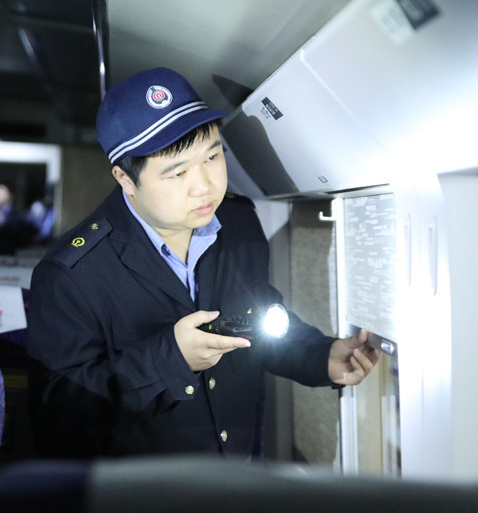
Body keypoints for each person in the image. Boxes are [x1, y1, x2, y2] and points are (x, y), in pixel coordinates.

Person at [26, 67, 380, 460]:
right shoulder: (72, 274)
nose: (204, 186)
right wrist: (171, 359)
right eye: (177, 172)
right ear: (125, 178)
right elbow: (59, 417)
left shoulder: (239, 223)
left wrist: (319, 356)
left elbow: (256, 322)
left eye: (212, 156)